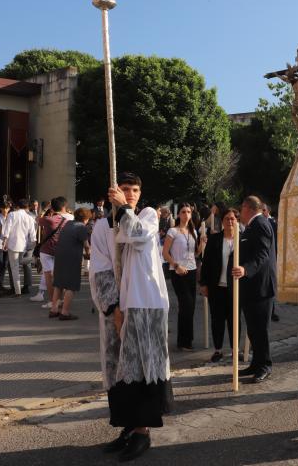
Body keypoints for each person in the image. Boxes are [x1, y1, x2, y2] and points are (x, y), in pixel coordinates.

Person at [92, 171, 172, 462]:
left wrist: (124, 209)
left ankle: (143, 432)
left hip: (145, 302)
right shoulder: (102, 226)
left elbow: (138, 235)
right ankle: (127, 427)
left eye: (135, 190)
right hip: (118, 306)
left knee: (143, 365)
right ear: (113, 191)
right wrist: (112, 307)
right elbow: (99, 266)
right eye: (124, 189)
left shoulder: (148, 215)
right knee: (119, 371)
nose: (130, 193)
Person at [231, 196, 276, 383]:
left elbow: (263, 254)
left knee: (260, 329)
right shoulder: (252, 225)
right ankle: (256, 363)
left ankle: (264, 365)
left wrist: (245, 269)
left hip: (261, 287)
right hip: (251, 287)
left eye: (241, 209)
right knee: (253, 329)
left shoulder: (261, 224)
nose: (239, 213)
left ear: (246, 207)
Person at [199, 207, 241, 362]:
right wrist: (203, 283)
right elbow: (206, 262)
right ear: (222, 221)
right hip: (216, 286)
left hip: (235, 287)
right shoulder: (215, 239)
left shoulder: (242, 239)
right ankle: (218, 349)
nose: (230, 221)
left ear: (237, 220)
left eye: (232, 219)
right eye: (227, 219)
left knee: (234, 319)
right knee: (217, 319)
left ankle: (234, 349)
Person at [163, 203, 206, 350]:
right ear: (178, 214)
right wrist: (176, 266)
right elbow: (165, 253)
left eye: (188, 211)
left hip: (192, 271)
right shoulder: (172, 231)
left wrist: (201, 244)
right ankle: (183, 341)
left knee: (190, 307)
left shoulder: (192, 231)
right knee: (186, 305)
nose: (186, 214)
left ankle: (187, 340)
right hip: (178, 272)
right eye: (183, 212)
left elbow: (195, 254)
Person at [50, 208, 92, 321]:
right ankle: (65, 312)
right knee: (71, 285)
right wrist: (89, 254)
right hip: (72, 257)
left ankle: (54, 310)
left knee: (59, 283)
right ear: (86, 218)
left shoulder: (68, 223)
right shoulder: (81, 227)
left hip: (60, 255)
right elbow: (86, 244)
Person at [38, 197, 72, 310]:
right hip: (60, 250)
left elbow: (38, 220)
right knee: (58, 276)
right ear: (64, 206)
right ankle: (60, 300)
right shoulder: (68, 220)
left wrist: (44, 210)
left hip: (46, 250)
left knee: (48, 276)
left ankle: (52, 301)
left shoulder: (48, 219)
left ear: (52, 207)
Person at [1, 199, 35, 296]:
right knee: (19, 263)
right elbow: (32, 234)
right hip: (24, 244)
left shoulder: (12, 214)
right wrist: (33, 243)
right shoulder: (29, 217)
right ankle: (33, 260)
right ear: (27, 206)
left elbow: (7, 229)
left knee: (14, 267)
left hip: (13, 244)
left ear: (17, 206)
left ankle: (17, 291)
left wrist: (4, 241)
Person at [262, 202, 281, 323]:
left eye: (264, 210)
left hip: (273, 256)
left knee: (272, 284)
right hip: (263, 259)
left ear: (268, 211)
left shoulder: (273, 223)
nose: (262, 212)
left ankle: (272, 310)